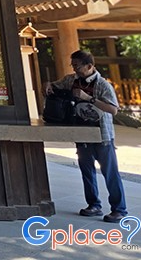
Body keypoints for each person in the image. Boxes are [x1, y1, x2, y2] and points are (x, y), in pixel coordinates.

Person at [44, 49, 127, 223]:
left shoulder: (103, 85)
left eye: (77, 66)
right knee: (86, 172)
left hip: (101, 135)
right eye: (72, 65)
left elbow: (113, 109)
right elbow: (55, 85)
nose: (74, 69)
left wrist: (88, 98)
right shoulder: (71, 80)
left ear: (89, 66)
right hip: (81, 132)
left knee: (110, 173)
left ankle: (119, 209)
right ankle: (94, 205)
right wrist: (49, 85)